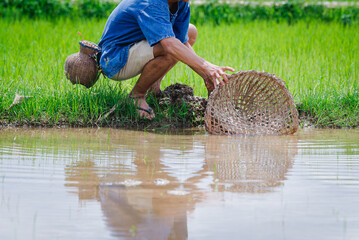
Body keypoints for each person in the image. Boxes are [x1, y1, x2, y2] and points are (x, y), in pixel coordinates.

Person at [98, 0, 235, 119]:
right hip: (115, 60)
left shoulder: (181, 3)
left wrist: (207, 75)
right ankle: (136, 96)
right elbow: (170, 46)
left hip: (136, 49)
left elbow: (181, 42)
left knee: (190, 32)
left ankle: (153, 86)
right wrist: (206, 67)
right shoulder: (152, 3)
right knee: (171, 50)